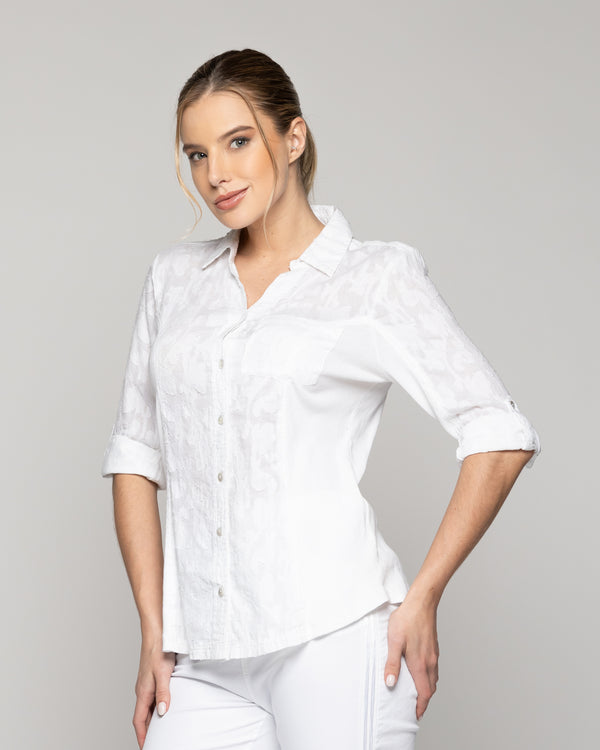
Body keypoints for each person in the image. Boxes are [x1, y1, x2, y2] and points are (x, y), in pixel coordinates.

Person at [101, 48, 541, 750]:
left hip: (335, 637)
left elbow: (499, 431)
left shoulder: (372, 278)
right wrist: (155, 632)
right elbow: (135, 454)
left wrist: (423, 594)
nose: (215, 174)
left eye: (238, 142)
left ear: (293, 138)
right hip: (202, 655)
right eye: (197, 154)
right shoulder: (175, 280)